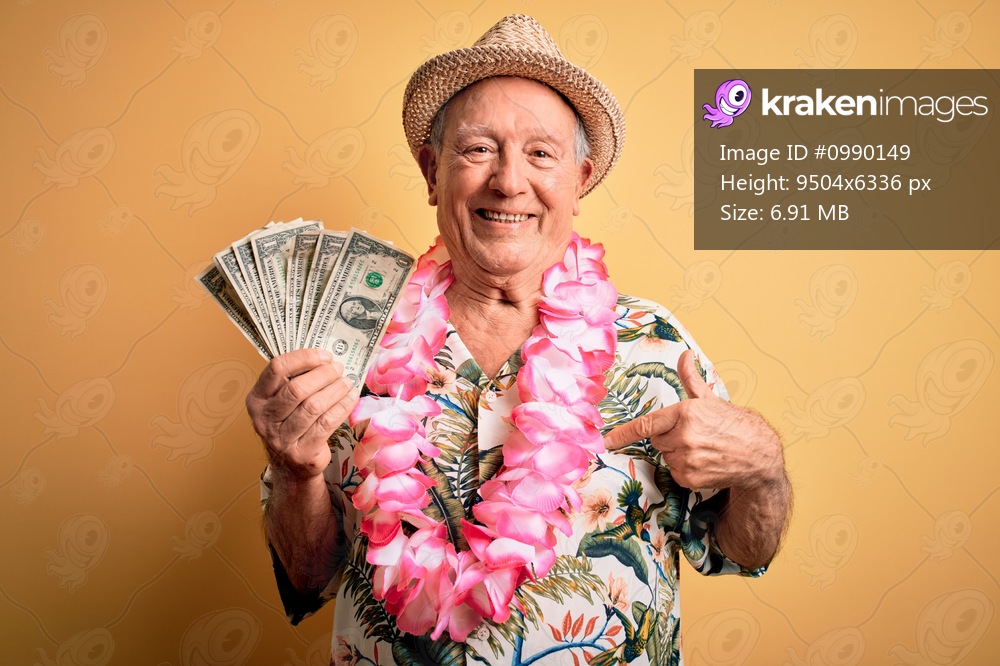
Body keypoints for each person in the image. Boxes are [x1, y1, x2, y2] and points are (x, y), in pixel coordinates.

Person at [247, 14, 791, 665]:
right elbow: (311, 576)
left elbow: (741, 550)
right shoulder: (345, 344)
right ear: (431, 171)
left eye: (541, 153)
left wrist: (763, 470)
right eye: (478, 148)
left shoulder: (655, 343)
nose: (509, 181)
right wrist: (294, 467)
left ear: (579, 180)